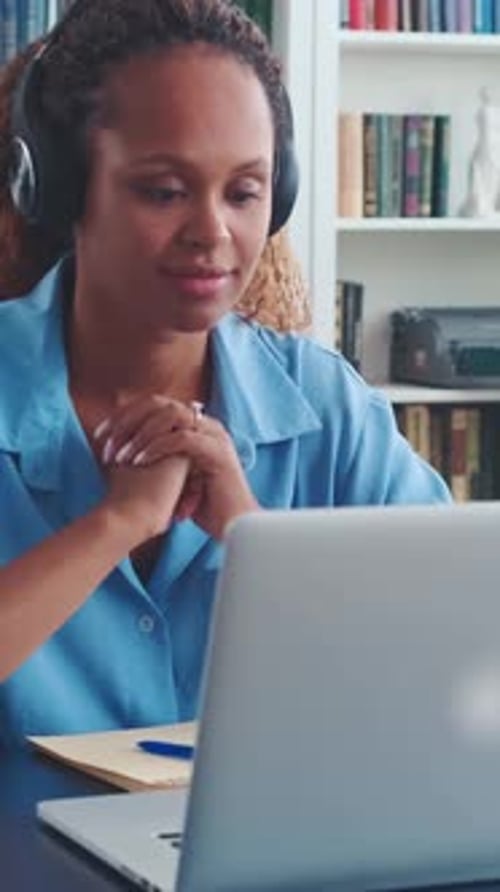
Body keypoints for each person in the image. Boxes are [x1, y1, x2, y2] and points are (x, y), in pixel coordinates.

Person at [0, 0, 450, 749]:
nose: (213, 233)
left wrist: (250, 539)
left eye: (244, 192)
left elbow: (447, 665)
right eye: (164, 191)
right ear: (60, 190)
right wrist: (117, 525)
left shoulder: (327, 408)